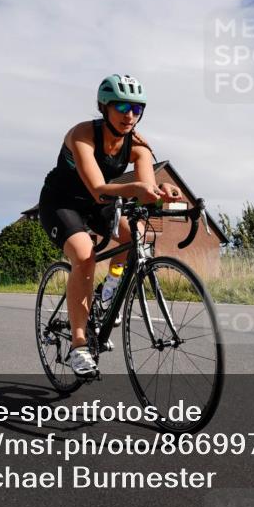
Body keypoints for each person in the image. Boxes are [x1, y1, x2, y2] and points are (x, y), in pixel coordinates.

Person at [38, 74, 181, 377]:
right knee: (84, 254)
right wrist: (137, 189)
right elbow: (98, 189)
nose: (130, 115)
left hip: (98, 205)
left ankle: (108, 291)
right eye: (122, 107)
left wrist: (161, 191)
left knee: (136, 235)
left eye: (136, 109)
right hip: (61, 202)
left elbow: (145, 185)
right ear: (104, 107)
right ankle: (79, 346)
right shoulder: (82, 134)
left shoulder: (139, 146)